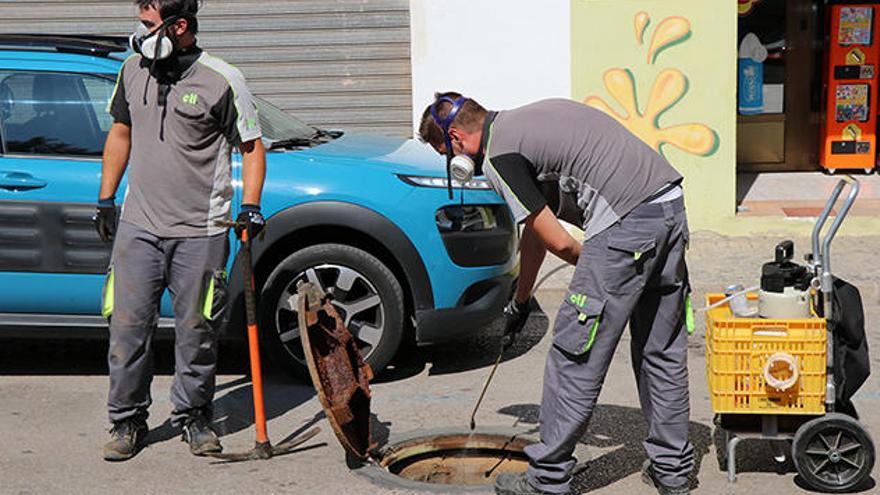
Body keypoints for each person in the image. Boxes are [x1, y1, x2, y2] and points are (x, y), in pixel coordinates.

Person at [419, 93, 694, 495]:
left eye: (448, 155)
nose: (457, 164)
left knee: (573, 355)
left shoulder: (498, 155)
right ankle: (673, 472)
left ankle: (547, 480)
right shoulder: (533, 121)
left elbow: (563, 245)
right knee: (662, 349)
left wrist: (604, 272)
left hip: (628, 226)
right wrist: (522, 298)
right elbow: (536, 229)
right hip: (670, 210)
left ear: (458, 139)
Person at [93, 0, 266, 461]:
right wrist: (106, 197)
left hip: (201, 231)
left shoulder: (223, 79)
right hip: (139, 227)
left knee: (196, 329)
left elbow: (251, 147)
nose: (140, 31)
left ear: (180, 25)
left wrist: (250, 205)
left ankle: (194, 416)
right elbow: (121, 133)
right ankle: (127, 420)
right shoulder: (132, 70)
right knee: (126, 327)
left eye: (148, 24)